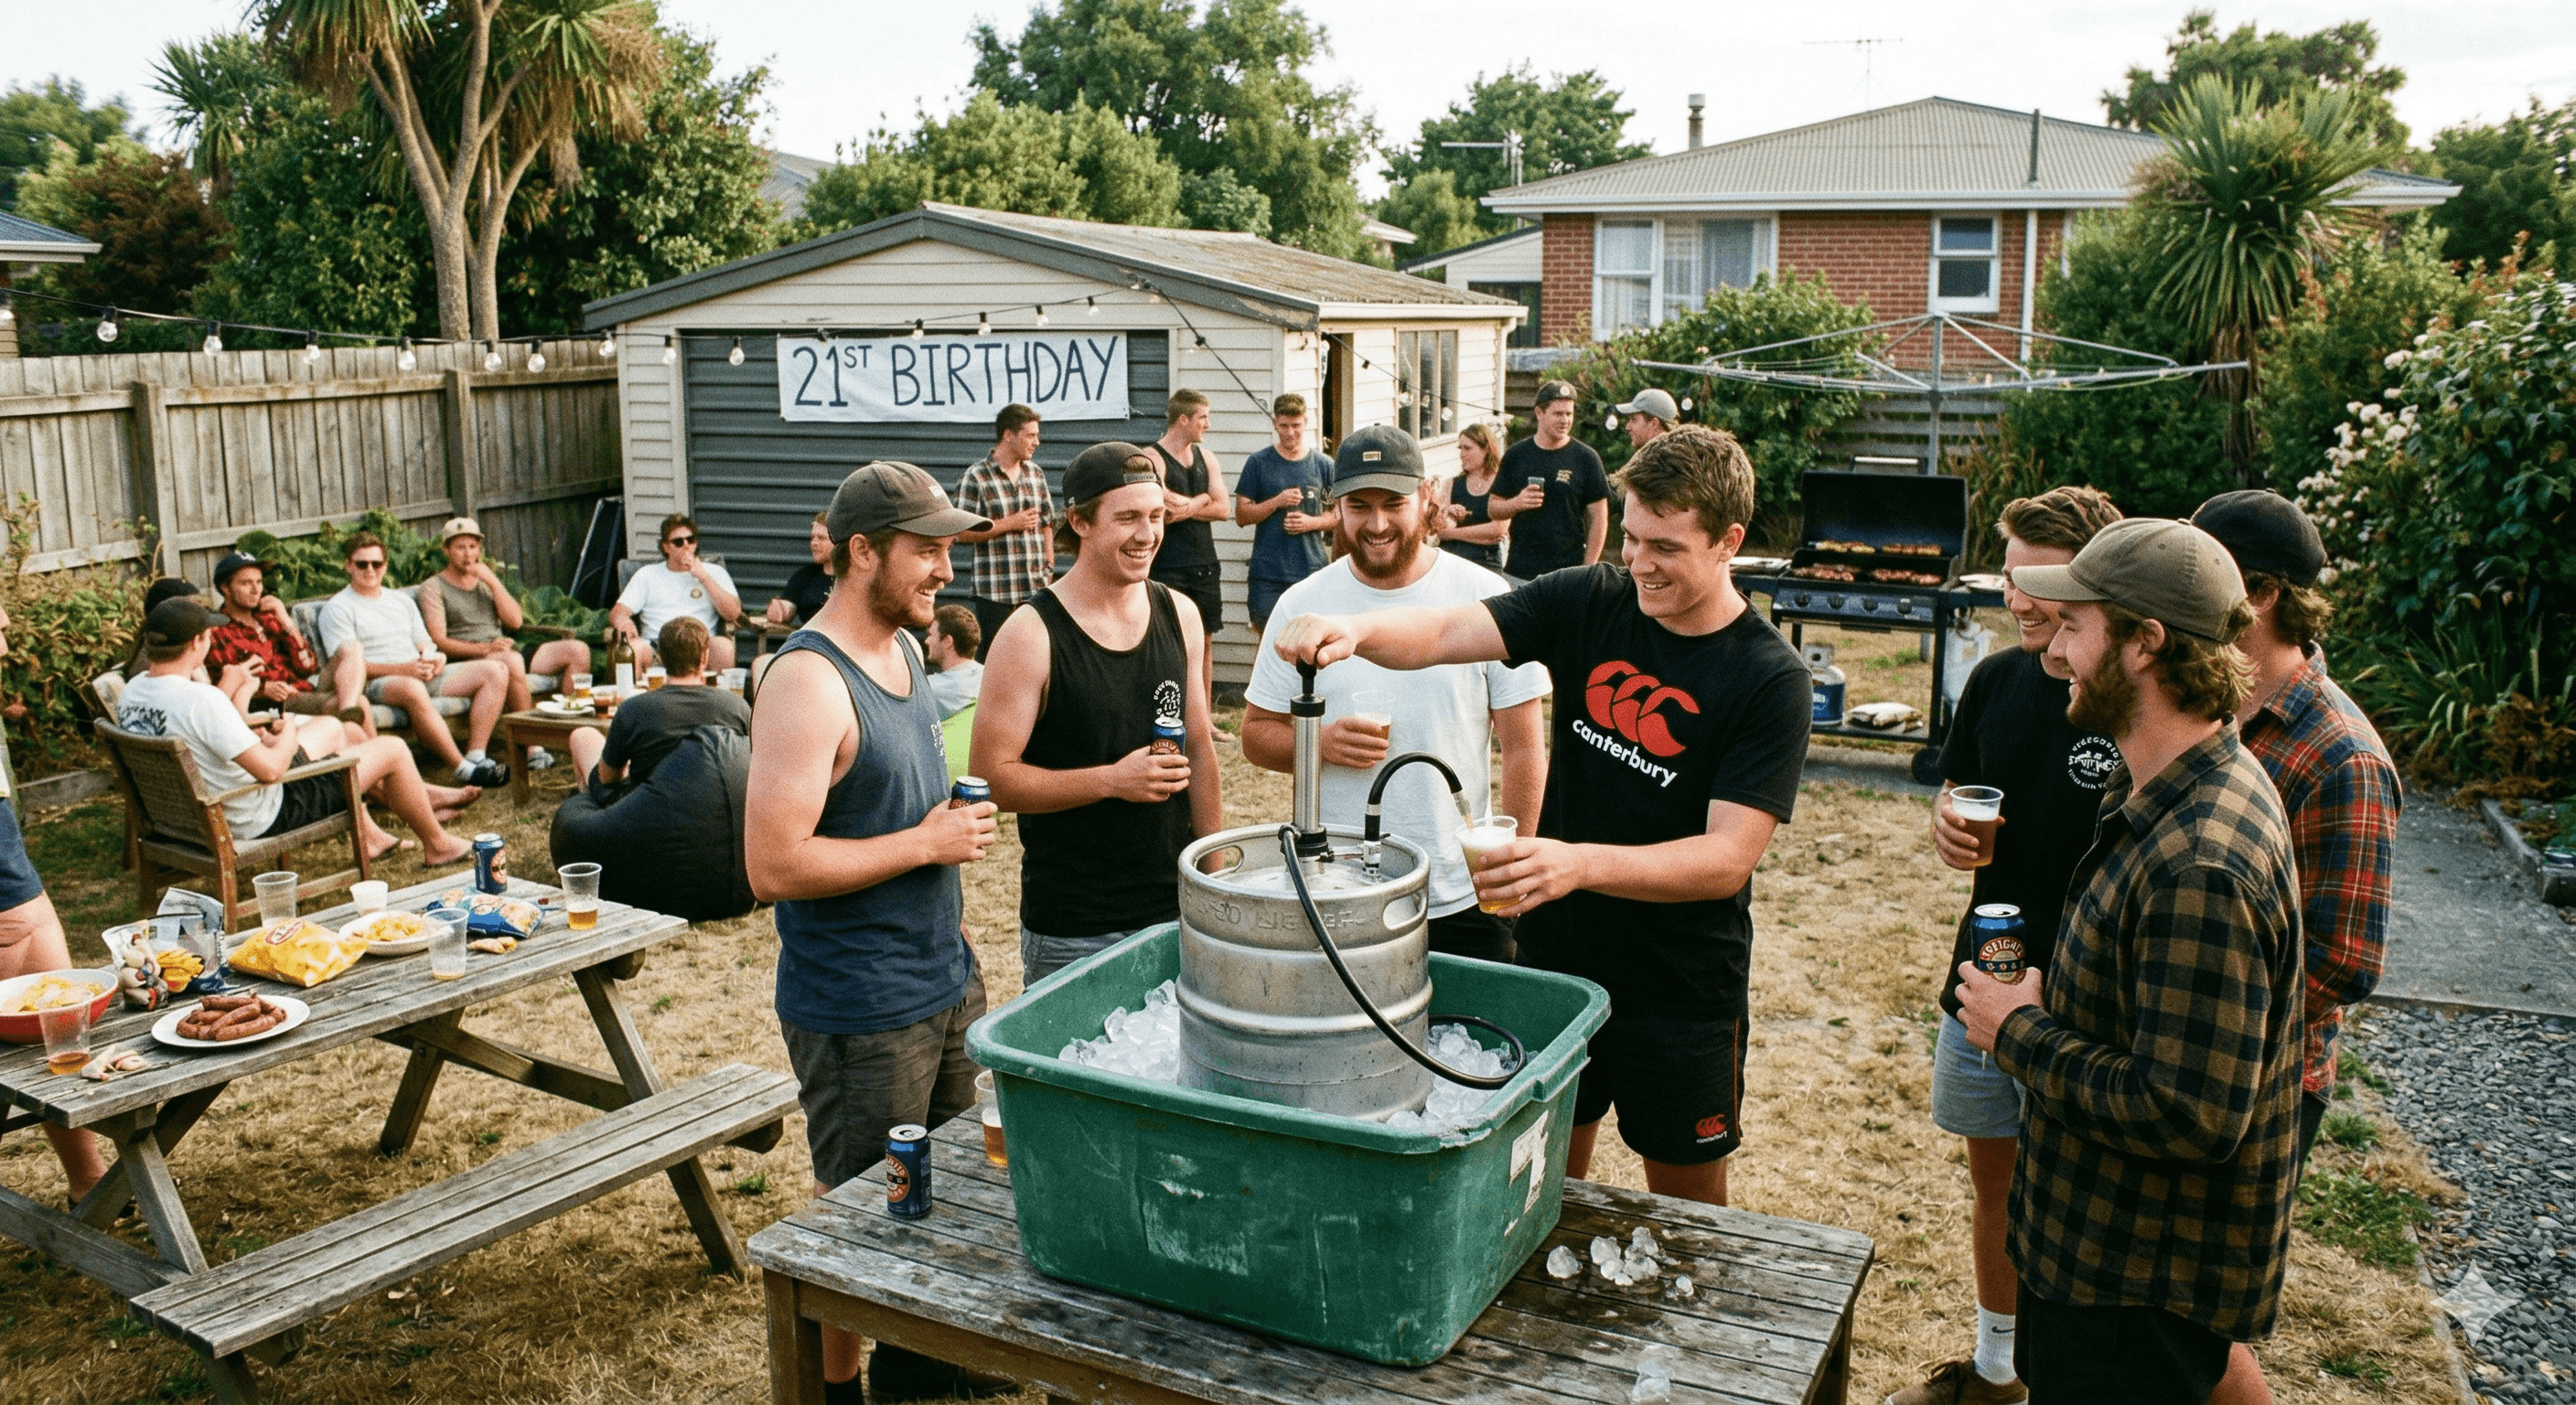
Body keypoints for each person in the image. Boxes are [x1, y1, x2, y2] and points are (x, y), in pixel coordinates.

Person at [1274, 424, 1809, 1206]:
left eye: (1665, 547)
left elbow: (1726, 858)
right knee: (1543, 1177)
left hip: (1684, 984)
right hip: (1562, 954)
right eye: (1631, 537)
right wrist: (1356, 631)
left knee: (1692, 1213)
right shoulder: (1590, 598)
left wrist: (1577, 862)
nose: (1639, 563)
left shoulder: (1770, 677)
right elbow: (1448, 630)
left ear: (1728, 540)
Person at [1955, 518, 2302, 1405]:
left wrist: (2016, 1031)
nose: (2055, 649)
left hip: (2132, 1286)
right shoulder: (2151, 785)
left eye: (2075, 627)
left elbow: (2187, 1114)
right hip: (2086, 1254)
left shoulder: (2200, 862)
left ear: (2143, 643)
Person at [743, 462, 1005, 1405]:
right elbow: (773, 865)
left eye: (946, 548)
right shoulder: (806, 681)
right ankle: (836, 1394)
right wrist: (924, 840)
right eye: (924, 549)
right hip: (859, 1007)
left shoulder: (905, 656)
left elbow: (887, 810)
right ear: (862, 553)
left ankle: (920, 1367)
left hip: (940, 978)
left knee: (941, 1196)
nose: (944, 568)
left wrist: (940, 849)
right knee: (860, 1214)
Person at [1890, 485, 2123, 1405]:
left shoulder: (2117, 690)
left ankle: (2070, 1376)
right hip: (1986, 973)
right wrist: (1946, 821)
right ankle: (1997, 1370)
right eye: (2006, 574)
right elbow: (1958, 787)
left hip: (2091, 1001)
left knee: (2081, 1212)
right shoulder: (1991, 678)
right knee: (1996, 1183)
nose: (2015, 599)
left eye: (2037, 581)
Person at [1244, 424, 1548, 963]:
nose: (1377, 524)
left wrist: (1511, 866)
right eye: (1359, 505)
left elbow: (1525, 749)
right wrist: (1320, 742)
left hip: (1458, 892)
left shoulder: (1482, 596)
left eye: (1394, 503)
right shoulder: (1301, 604)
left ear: (1427, 495)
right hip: (1334, 890)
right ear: (1336, 506)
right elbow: (1255, 737)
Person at [2193, 489, 2401, 1172]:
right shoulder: (2206, 700)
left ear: (2261, 594)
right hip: (2171, 1054)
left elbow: (2342, 960)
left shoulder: (2345, 758)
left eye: (2204, 574)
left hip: (2263, 1078)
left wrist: (2212, 1024)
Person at [973, 441, 1225, 986]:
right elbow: (994, 780)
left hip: (1175, 914)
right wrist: (1113, 780)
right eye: (1128, 518)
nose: (1147, 534)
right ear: (1080, 522)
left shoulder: (1179, 613)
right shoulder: (1031, 633)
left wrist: (1215, 877)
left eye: (1156, 516)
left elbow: (1200, 747)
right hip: (1075, 928)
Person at [120, 598, 479, 866]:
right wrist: (288, 732)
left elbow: (207, 738)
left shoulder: (134, 691)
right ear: (198, 642)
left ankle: (371, 837)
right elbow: (271, 771)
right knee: (392, 748)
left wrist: (254, 723)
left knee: (339, 728)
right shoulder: (202, 700)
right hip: (259, 814)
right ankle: (438, 845)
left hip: (192, 813)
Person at [0, 600, 109, 1202]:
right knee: (53, 1042)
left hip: (15, 890)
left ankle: (89, 1181)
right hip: (9, 906)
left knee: (61, 1042)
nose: (8, 624)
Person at [317, 533, 511, 788]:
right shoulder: (338, 608)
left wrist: (435, 659)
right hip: (378, 681)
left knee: (496, 670)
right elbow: (348, 667)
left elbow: (425, 642)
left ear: (385, 566)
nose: (370, 570)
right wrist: (405, 670)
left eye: (376, 564)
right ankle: (463, 770)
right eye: (361, 564)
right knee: (411, 688)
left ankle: (477, 756)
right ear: (348, 565)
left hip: (418, 672)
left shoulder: (399, 600)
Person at [418, 517, 595, 724]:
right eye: (460, 547)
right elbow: (440, 641)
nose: (468, 554)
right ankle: (533, 742)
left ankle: (571, 726)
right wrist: (486, 649)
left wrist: (493, 581)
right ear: (446, 550)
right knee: (511, 660)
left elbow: (515, 622)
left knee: (578, 650)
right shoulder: (433, 587)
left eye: (473, 546)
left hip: (503, 650)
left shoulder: (486, 581)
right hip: (471, 659)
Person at [566, 617, 750, 800]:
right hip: (713, 810)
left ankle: (587, 814)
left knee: (582, 736)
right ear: (705, 657)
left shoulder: (632, 709)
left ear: (659, 656)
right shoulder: (737, 707)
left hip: (644, 813)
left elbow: (607, 778)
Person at [203, 552, 371, 734]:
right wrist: (262, 689)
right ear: (225, 588)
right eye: (246, 583)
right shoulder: (217, 631)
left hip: (305, 688)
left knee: (352, 648)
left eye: (259, 582)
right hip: (280, 702)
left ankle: (347, 711)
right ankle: (369, 746)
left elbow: (307, 667)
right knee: (360, 702)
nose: (256, 589)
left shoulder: (269, 618)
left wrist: (286, 622)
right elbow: (221, 684)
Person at [1147, 390, 1231, 728]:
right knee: (1168, 642)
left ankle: (1204, 721)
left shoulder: (1206, 457)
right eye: (1202, 418)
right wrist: (1203, 500)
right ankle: (1167, 718)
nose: (1207, 425)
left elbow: (1223, 508)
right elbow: (1164, 510)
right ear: (1183, 419)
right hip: (1167, 565)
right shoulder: (1152, 458)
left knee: (1205, 640)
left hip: (1204, 564)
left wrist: (1192, 503)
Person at [954, 403, 1057, 660]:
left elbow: (1046, 520)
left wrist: (1049, 563)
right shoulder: (976, 477)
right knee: (996, 660)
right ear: (1009, 435)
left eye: (1037, 435)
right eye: (1030, 435)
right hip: (995, 593)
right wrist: (1009, 524)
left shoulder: (1035, 474)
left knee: (1037, 658)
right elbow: (961, 532)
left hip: (1035, 588)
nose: (1037, 442)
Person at [1488, 379, 1610, 582]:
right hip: (1519, 573)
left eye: (1569, 414)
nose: (1565, 420)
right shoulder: (1516, 455)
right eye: (1558, 414)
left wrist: (1587, 570)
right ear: (1539, 413)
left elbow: (1600, 518)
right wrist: (1516, 503)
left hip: (1567, 575)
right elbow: (1493, 509)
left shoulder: (1586, 458)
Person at [1232, 392, 1335, 632]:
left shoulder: (1323, 465)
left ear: (1306, 422)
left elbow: (1338, 516)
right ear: (1275, 424)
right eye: (1284, 426)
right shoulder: (1258, 463)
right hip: (1268, 574)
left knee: (1310, 644)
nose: (1290, 432)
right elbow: (1241, 516)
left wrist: (1311, 522)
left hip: (1311, 571)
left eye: (1296, 426)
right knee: (1268, 642)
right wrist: (1276, 501)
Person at [610, 513, 742, 673]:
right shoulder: (647, 574)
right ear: (666, 547)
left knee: (723, 647)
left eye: (690, 540)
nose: (686, 545)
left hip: (701, 646)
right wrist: (623, 621)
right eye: (678, 542)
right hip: (657, 647)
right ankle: (636, 699)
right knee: (634, 649)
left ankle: (715, 699)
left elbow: (733, 613)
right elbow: (618, 612)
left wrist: (703, 577)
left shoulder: (714, 572)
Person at [1436, 421, 1510, 572]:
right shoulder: (1452, 484)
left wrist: (1451, 534)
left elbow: (1498, 529)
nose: (1462, 454)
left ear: (1486, 450)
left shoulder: (1503, 483)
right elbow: (1440, 531)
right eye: (1460, 448)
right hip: (1452, 560)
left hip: (1487, 561)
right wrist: (1448, 513)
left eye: (1468, 448)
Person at [763, 512, 836, 632]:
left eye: (821, 538)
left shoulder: (854, 576)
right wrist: (781, 609)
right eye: (812, 538)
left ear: (838, 541)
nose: (814, 543)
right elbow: (789, 605)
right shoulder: (806, 575)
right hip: (810, 643)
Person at [924, 605, 983, 720]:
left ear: (947, 641)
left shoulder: (932, 689)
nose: (926, 641)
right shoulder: (991, 678)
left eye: (931, 635)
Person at [1615, 387, 1679, 448]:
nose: (1627, 427)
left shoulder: (1663, 458)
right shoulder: (1677, 454)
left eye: (1634, 420)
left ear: (1654, 424)